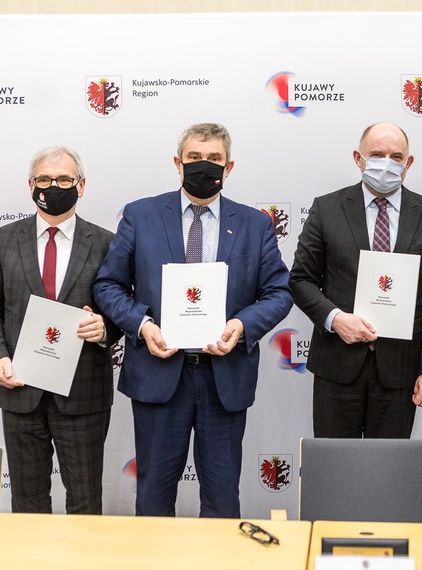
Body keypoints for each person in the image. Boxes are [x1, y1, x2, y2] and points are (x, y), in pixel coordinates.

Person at [93, 123, 292, 518]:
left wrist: (242, 326)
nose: (204, 165)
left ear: (228, 166)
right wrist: (143, 325)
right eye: (195, 157)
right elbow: (108, 285)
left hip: (224, 377)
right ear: (177, 163)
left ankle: (218, 562)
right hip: (158, 375)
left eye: (214, 158)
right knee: (153, 497)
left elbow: (279, 292)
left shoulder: (255, 224)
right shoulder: (141, 215)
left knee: (222, 499)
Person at [0, 146, 118, 514]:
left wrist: (105, 327)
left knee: (85, 502)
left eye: (64, 180)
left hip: (83, 393)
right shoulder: (4, 239)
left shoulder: (105, 242)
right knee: (27, 503)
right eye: (44, 179)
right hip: (20, 390)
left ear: (81, 185)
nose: (53, 187)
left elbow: (122, 306)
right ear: (31, 185)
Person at [290, 122, 422, 438]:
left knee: (389, 467)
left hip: (400, 371)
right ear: (358, 158)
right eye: (377, 155)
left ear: (408, 163)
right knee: (335, 464)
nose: (387, 163)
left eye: (397, 157)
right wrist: (335, 319)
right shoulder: (326, 208)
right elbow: (300, 280)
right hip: (337, 365)